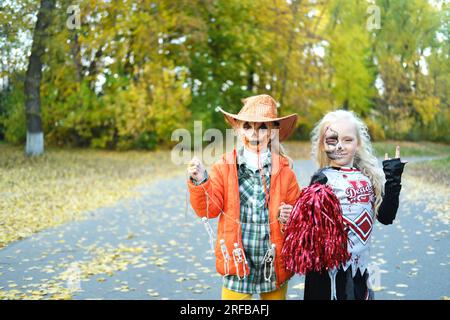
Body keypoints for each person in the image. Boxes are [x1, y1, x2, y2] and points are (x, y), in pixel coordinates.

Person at [187, 94, 301, 300]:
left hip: (273, 262)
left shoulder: (285, 171)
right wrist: (201, 180)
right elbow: (208, 209)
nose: (254, 133)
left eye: (263, 128)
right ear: (239, 128)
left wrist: (291, 216)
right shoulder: (224, 167)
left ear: (273, 131)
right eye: (248, 126)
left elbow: (299, 217)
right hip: (237, 258)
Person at [302, 109, 407, 300]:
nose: (340, 146)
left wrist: (392, 181)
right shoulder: (321, 180)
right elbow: (307, 232)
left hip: (358, 272)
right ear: (323, 145)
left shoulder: (367, 178)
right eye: (332, 140)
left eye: (347, 140)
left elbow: (386, 217)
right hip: (326, 277)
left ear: (358, 144)